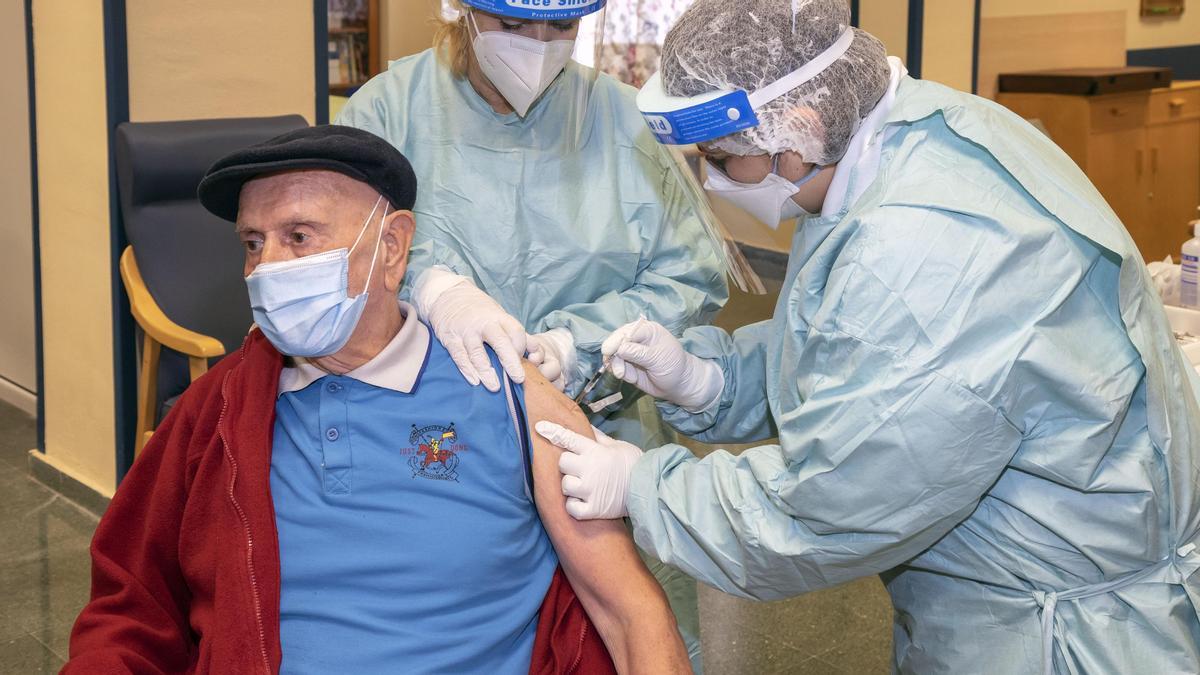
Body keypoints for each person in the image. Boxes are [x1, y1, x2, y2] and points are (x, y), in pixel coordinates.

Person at [536, 1, 1200, 673]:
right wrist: (711, 378)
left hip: (1059, 631)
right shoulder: (918, 135)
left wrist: (644, 485)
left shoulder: (921, 246)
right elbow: (854, 345)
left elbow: (823, 510)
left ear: (798, 134)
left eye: (719, 158)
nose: (709, 179)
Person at [63, 125, 689, 675]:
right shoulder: (220, 411)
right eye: (253, 243)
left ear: (392, 246)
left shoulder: (508, 393)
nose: (267, 267)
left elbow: (630, 613)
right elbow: (132, 604)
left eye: (300, 236)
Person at [334, 0, 730, 666]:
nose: (540, 46)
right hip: (434, 438)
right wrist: (429, 286)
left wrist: (577, 344)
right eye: (515, 26)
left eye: (562, 29)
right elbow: (335, 255)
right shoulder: (386, 114)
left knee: (623, 632)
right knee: (449, 632)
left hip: (599, 430)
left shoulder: (623, 122)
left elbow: (690, 276)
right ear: (460, 10)